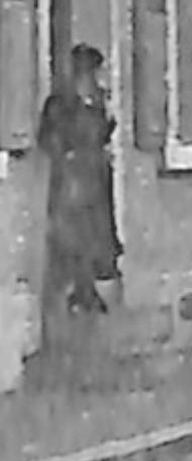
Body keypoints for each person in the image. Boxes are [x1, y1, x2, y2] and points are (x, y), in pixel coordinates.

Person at [37, 44, 121, 316]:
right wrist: (69, 157)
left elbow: (100, 135)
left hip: (92, 181)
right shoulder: (61, 105)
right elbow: (51, 139)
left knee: (92, 236)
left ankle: (86, 291)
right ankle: (78, 292)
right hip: (74, 183)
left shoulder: (93, 102)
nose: (95, 78)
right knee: (78, 237)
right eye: (91, 72)